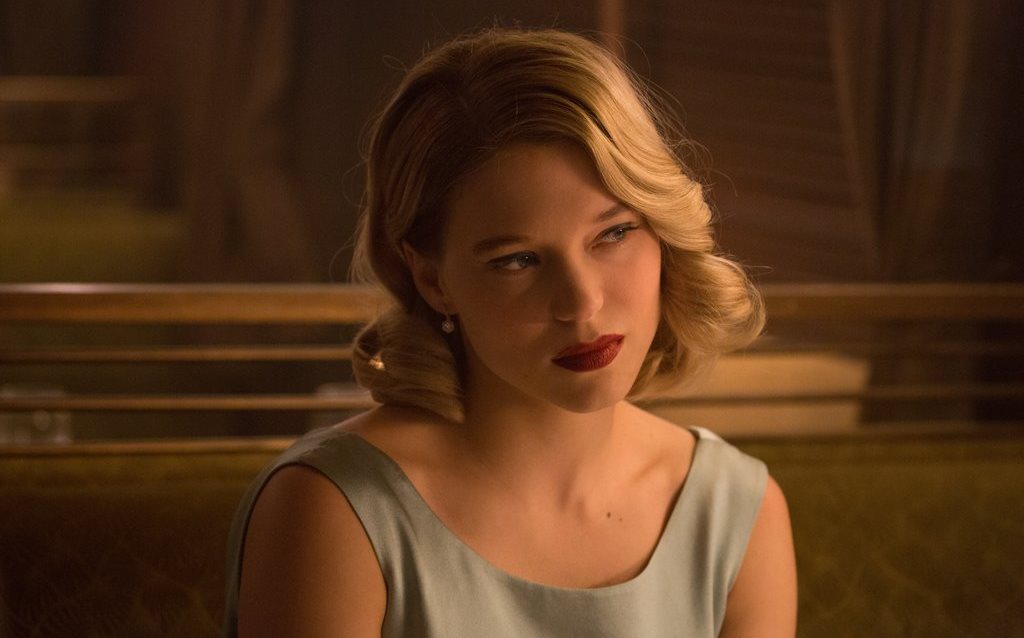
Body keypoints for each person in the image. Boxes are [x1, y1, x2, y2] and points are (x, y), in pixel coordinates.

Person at [224, 27, 796, 637]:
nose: (582, 302)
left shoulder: (736, 513)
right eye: (517, 260)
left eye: (614, 234)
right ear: (432, 279)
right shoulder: (336, 510)